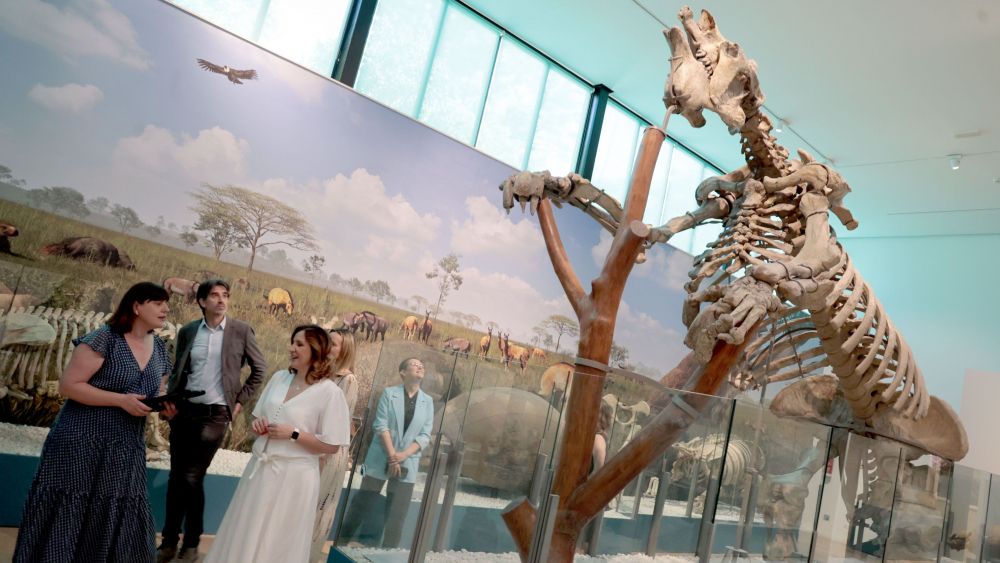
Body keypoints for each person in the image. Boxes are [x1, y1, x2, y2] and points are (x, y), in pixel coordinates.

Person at [14, 282, 173, 562]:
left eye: (166, 303)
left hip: (125, 448)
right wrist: (120, 400)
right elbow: (69, 386)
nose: (166, 309)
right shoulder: (104, 339)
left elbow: (156, 390)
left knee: (119, 514)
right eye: (158, 303)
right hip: (80, 441)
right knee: (69, 509)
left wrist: (166, 406)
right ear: (137, 306)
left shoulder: (160, 349)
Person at [205, 324, 351, 563]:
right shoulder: (279, 378)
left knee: (277, 540)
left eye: (299, 344)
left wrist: (293, 433)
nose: (291, 348)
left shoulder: (330, 393)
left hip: (294, 479)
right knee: (246, 530)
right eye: (292, 343)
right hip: (260, 471)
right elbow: (258, 417)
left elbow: (331, 446)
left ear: (316, 350)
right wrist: (258, 425)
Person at [157, 279, 266, 562]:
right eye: (214, 295)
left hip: (216, 414)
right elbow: (179, 370)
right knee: (177, 477)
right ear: (202, 301)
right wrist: (170, 402)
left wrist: (238, 402)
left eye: (225, 295)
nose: (221, 300)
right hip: (184, 411)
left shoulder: (241, 330)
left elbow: (259, 369)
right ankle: (168, 542)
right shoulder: (189, 330)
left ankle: (191, 544)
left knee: (192, 476)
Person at [339, 357, 434, 548]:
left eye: (422, 366)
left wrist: (402, 456)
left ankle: (387, 553)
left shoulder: (428, 401)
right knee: (362, 504)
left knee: (397, 515)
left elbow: (425, 435)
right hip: (380, 458)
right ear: (403, 372)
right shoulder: (389, 394)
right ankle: (341, 543)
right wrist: (392, 456)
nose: (419, 367)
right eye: (414, 365)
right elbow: (380, 425)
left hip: (407, 462)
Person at [311, 328, 359, 561]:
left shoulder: (348, 380)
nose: (328, 346)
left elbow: (339, 421)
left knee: (319, 508)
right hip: (311, 446)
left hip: (329, 451)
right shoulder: (320, 374)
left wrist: (322, 451)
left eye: (334, 343)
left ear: (345, 349)